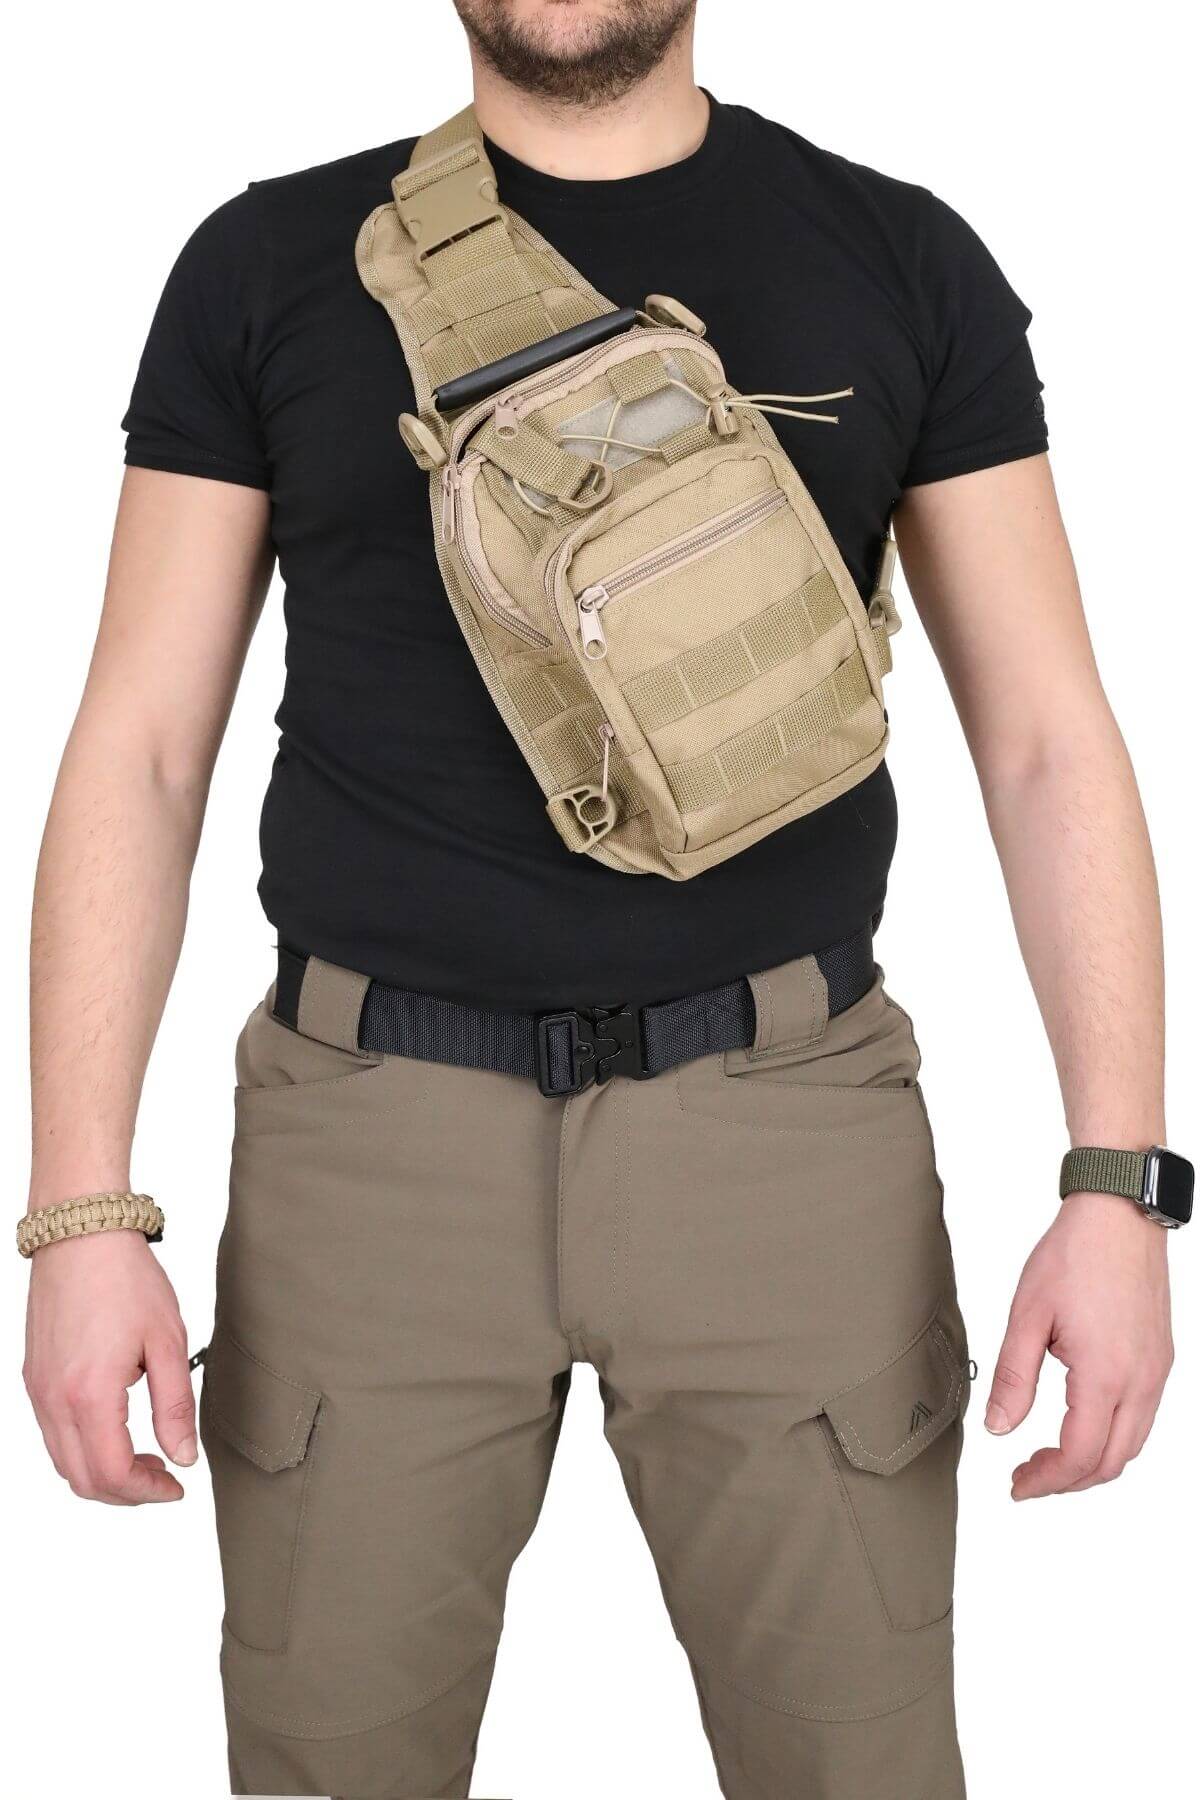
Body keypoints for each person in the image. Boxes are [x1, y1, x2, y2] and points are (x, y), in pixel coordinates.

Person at [20, 3, 1189, 1796]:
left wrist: (1122, 1186)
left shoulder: (901, 256)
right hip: (368, 1156)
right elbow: (141, 749)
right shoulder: (267, 264)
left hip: (789, 1137)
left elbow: (1046, 742)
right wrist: (78, 1215)